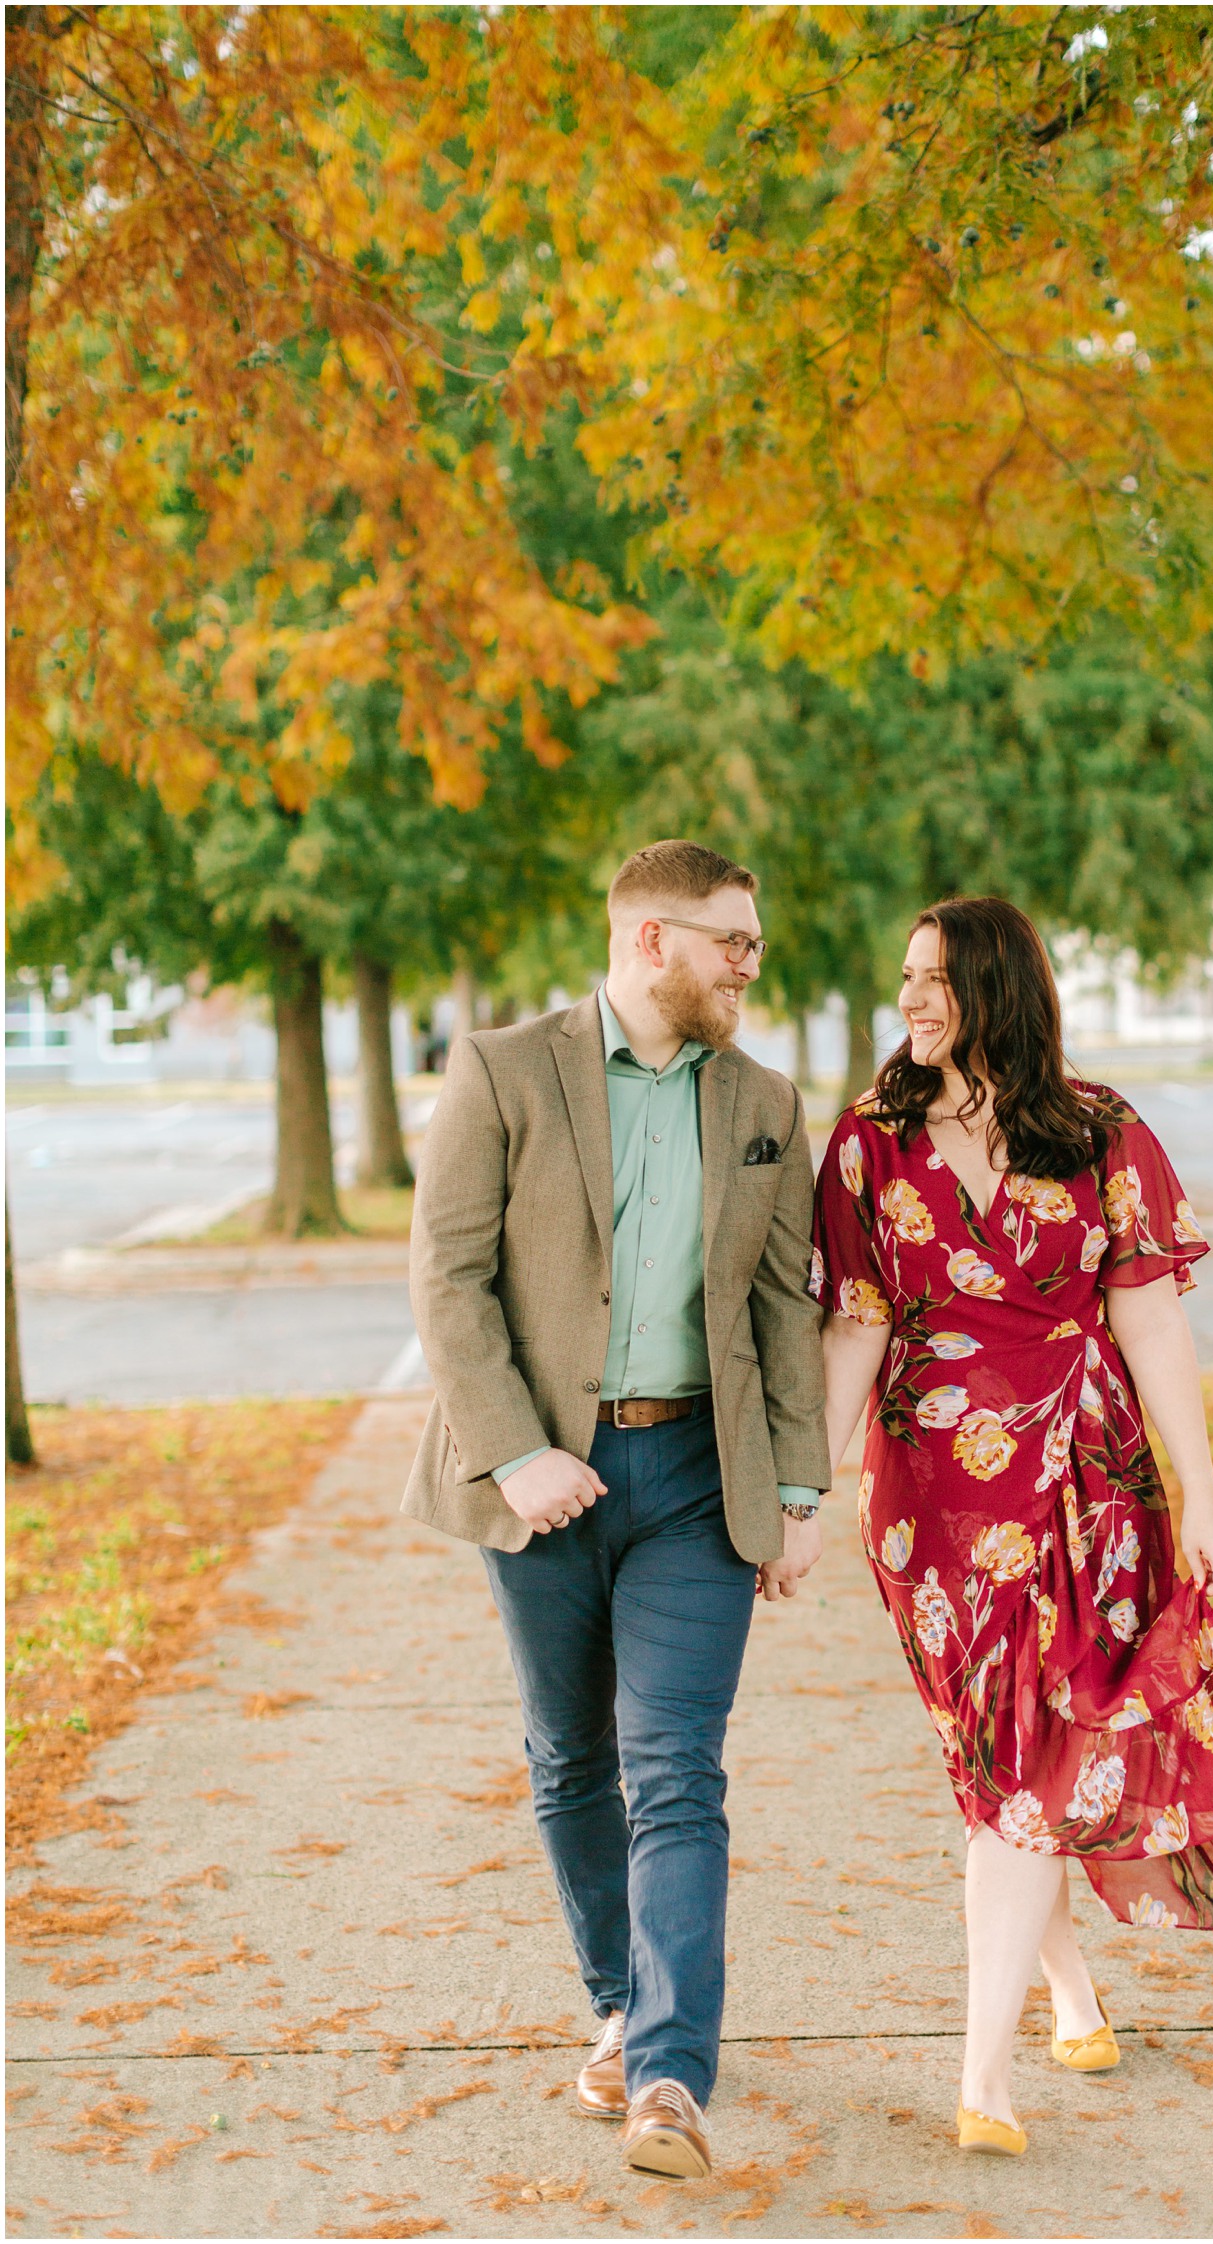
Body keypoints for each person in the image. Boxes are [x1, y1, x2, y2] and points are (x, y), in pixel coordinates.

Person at [811, 896, 1213, 2158]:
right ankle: (1067, 1990)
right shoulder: (869, 1145)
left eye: (936, 978)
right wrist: (806, 1492)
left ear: (999, 985)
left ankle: (982, 2079)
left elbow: (1153, 1320)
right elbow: (858, 1324)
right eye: (905, 978)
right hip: (930, 1508)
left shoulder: (1101, 1134)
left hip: (1088, 1482)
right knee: (1002, 1769)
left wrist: (1204, 1495)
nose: (913, 999)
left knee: (1035, 1765)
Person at [401, 840, 828, 2183]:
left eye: (754, 944)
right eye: (732, 942)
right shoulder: (503, 1070)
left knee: (675, 1772)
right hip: (544, 1484)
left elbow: (782, 1305)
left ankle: (667, 2078)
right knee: (570, 1759)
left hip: (698, 1484)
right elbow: (450, 1278)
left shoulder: (763, 1097)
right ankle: (617, 2000)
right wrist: (517, 1451)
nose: (750, 964)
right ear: (652, 941)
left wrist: (801, 1488)